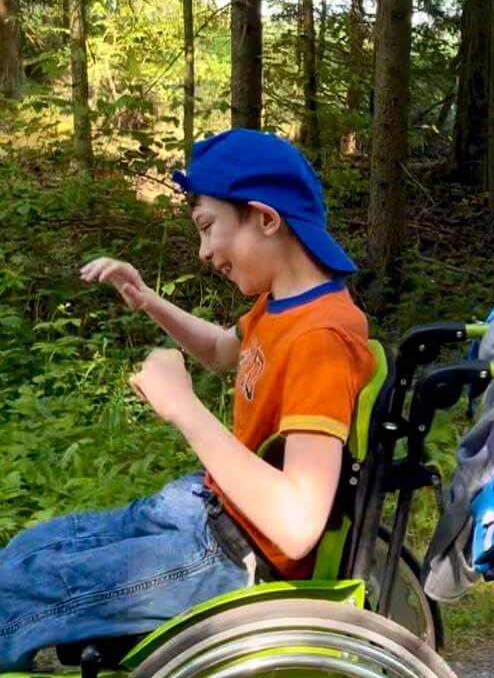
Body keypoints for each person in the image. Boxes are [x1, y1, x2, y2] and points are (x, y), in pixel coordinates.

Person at [0, 128, 375, 671]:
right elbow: (223, 349)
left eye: (207, 227)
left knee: (16, 592)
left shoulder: (321, 338)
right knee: (27, 551)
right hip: (206, 507)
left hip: (232, 552)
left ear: (265, 218)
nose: (204, 252)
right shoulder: (284, 304)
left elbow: (297, 525)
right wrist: (149, 301)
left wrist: (184, 408)